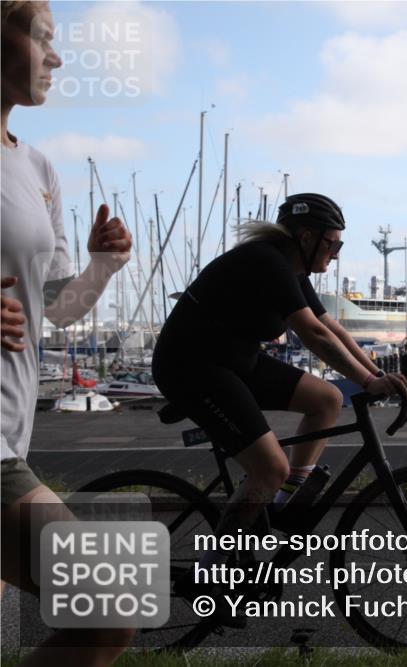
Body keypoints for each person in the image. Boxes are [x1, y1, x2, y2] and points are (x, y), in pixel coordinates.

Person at [152, 192, 407, 614]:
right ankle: (209, 574)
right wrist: (367, 381)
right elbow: (313, 334)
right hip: (192, 366)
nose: (336, 255)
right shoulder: (267, 261)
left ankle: (283, 502)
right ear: (306, 237)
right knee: (269, 467)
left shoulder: (292, 268)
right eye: (333, 245)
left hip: (234, 360)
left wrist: (378, 376)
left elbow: (332, 327)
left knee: (327, 399)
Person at [1, 1, 135, 664]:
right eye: (42, 38)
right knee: (107, 608)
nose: (56, 58)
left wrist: (103, 267)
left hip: (13, 429)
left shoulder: (38, 170)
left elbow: (55, 308)